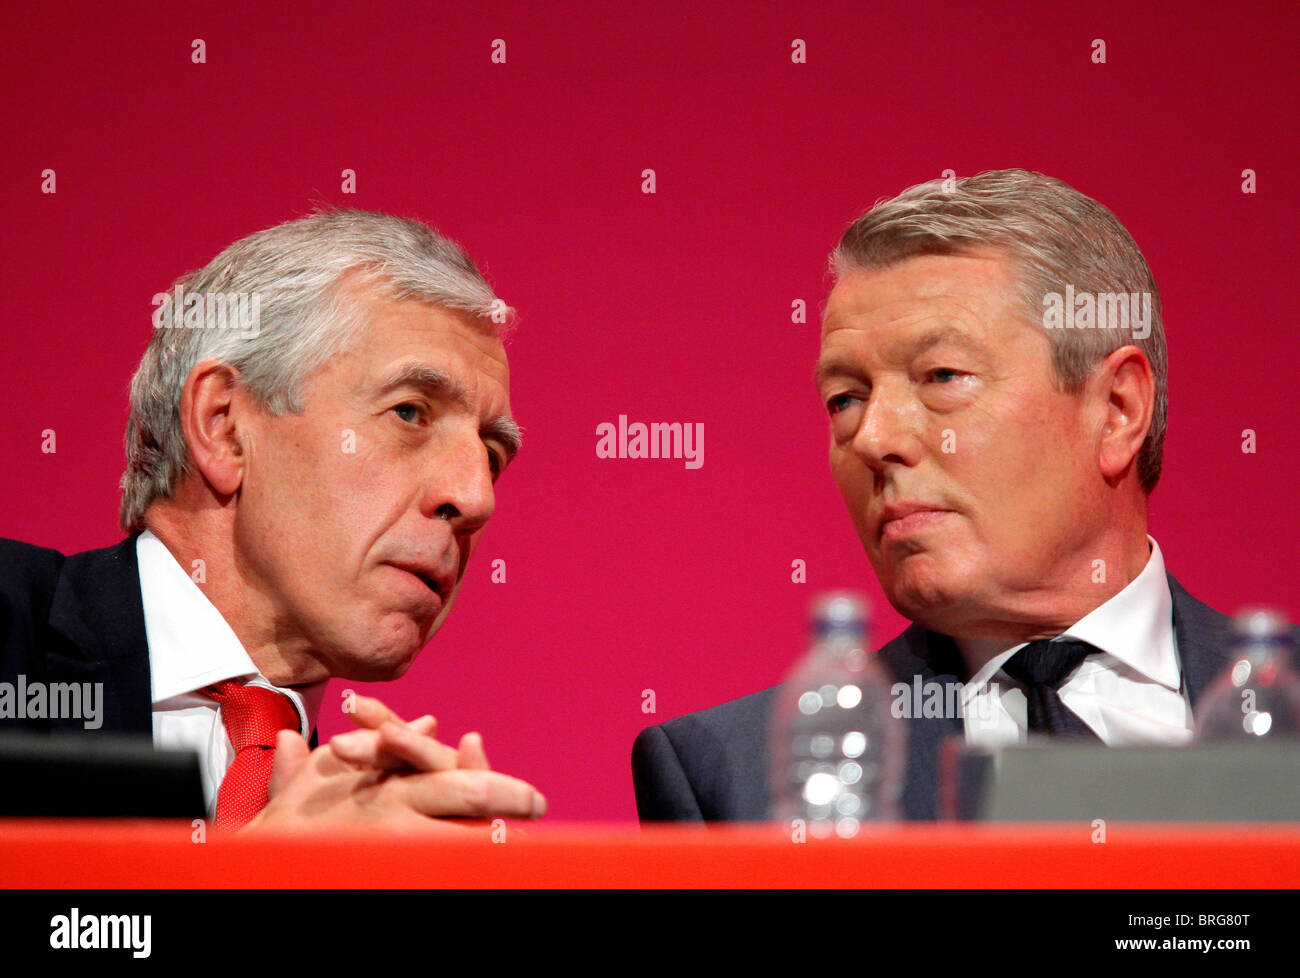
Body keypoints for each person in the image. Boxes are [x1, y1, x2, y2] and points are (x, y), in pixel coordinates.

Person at [632, 169, 1240, 822]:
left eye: (943, 375)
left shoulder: (1267, 705)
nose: (871, 438)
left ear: (1115, 410)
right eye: (846, 399)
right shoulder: (734, 780)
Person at [0, 209, 546, 832]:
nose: (476, 497)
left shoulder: (354, 833)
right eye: (410, 413)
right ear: (225, 426)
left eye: (492, 457)